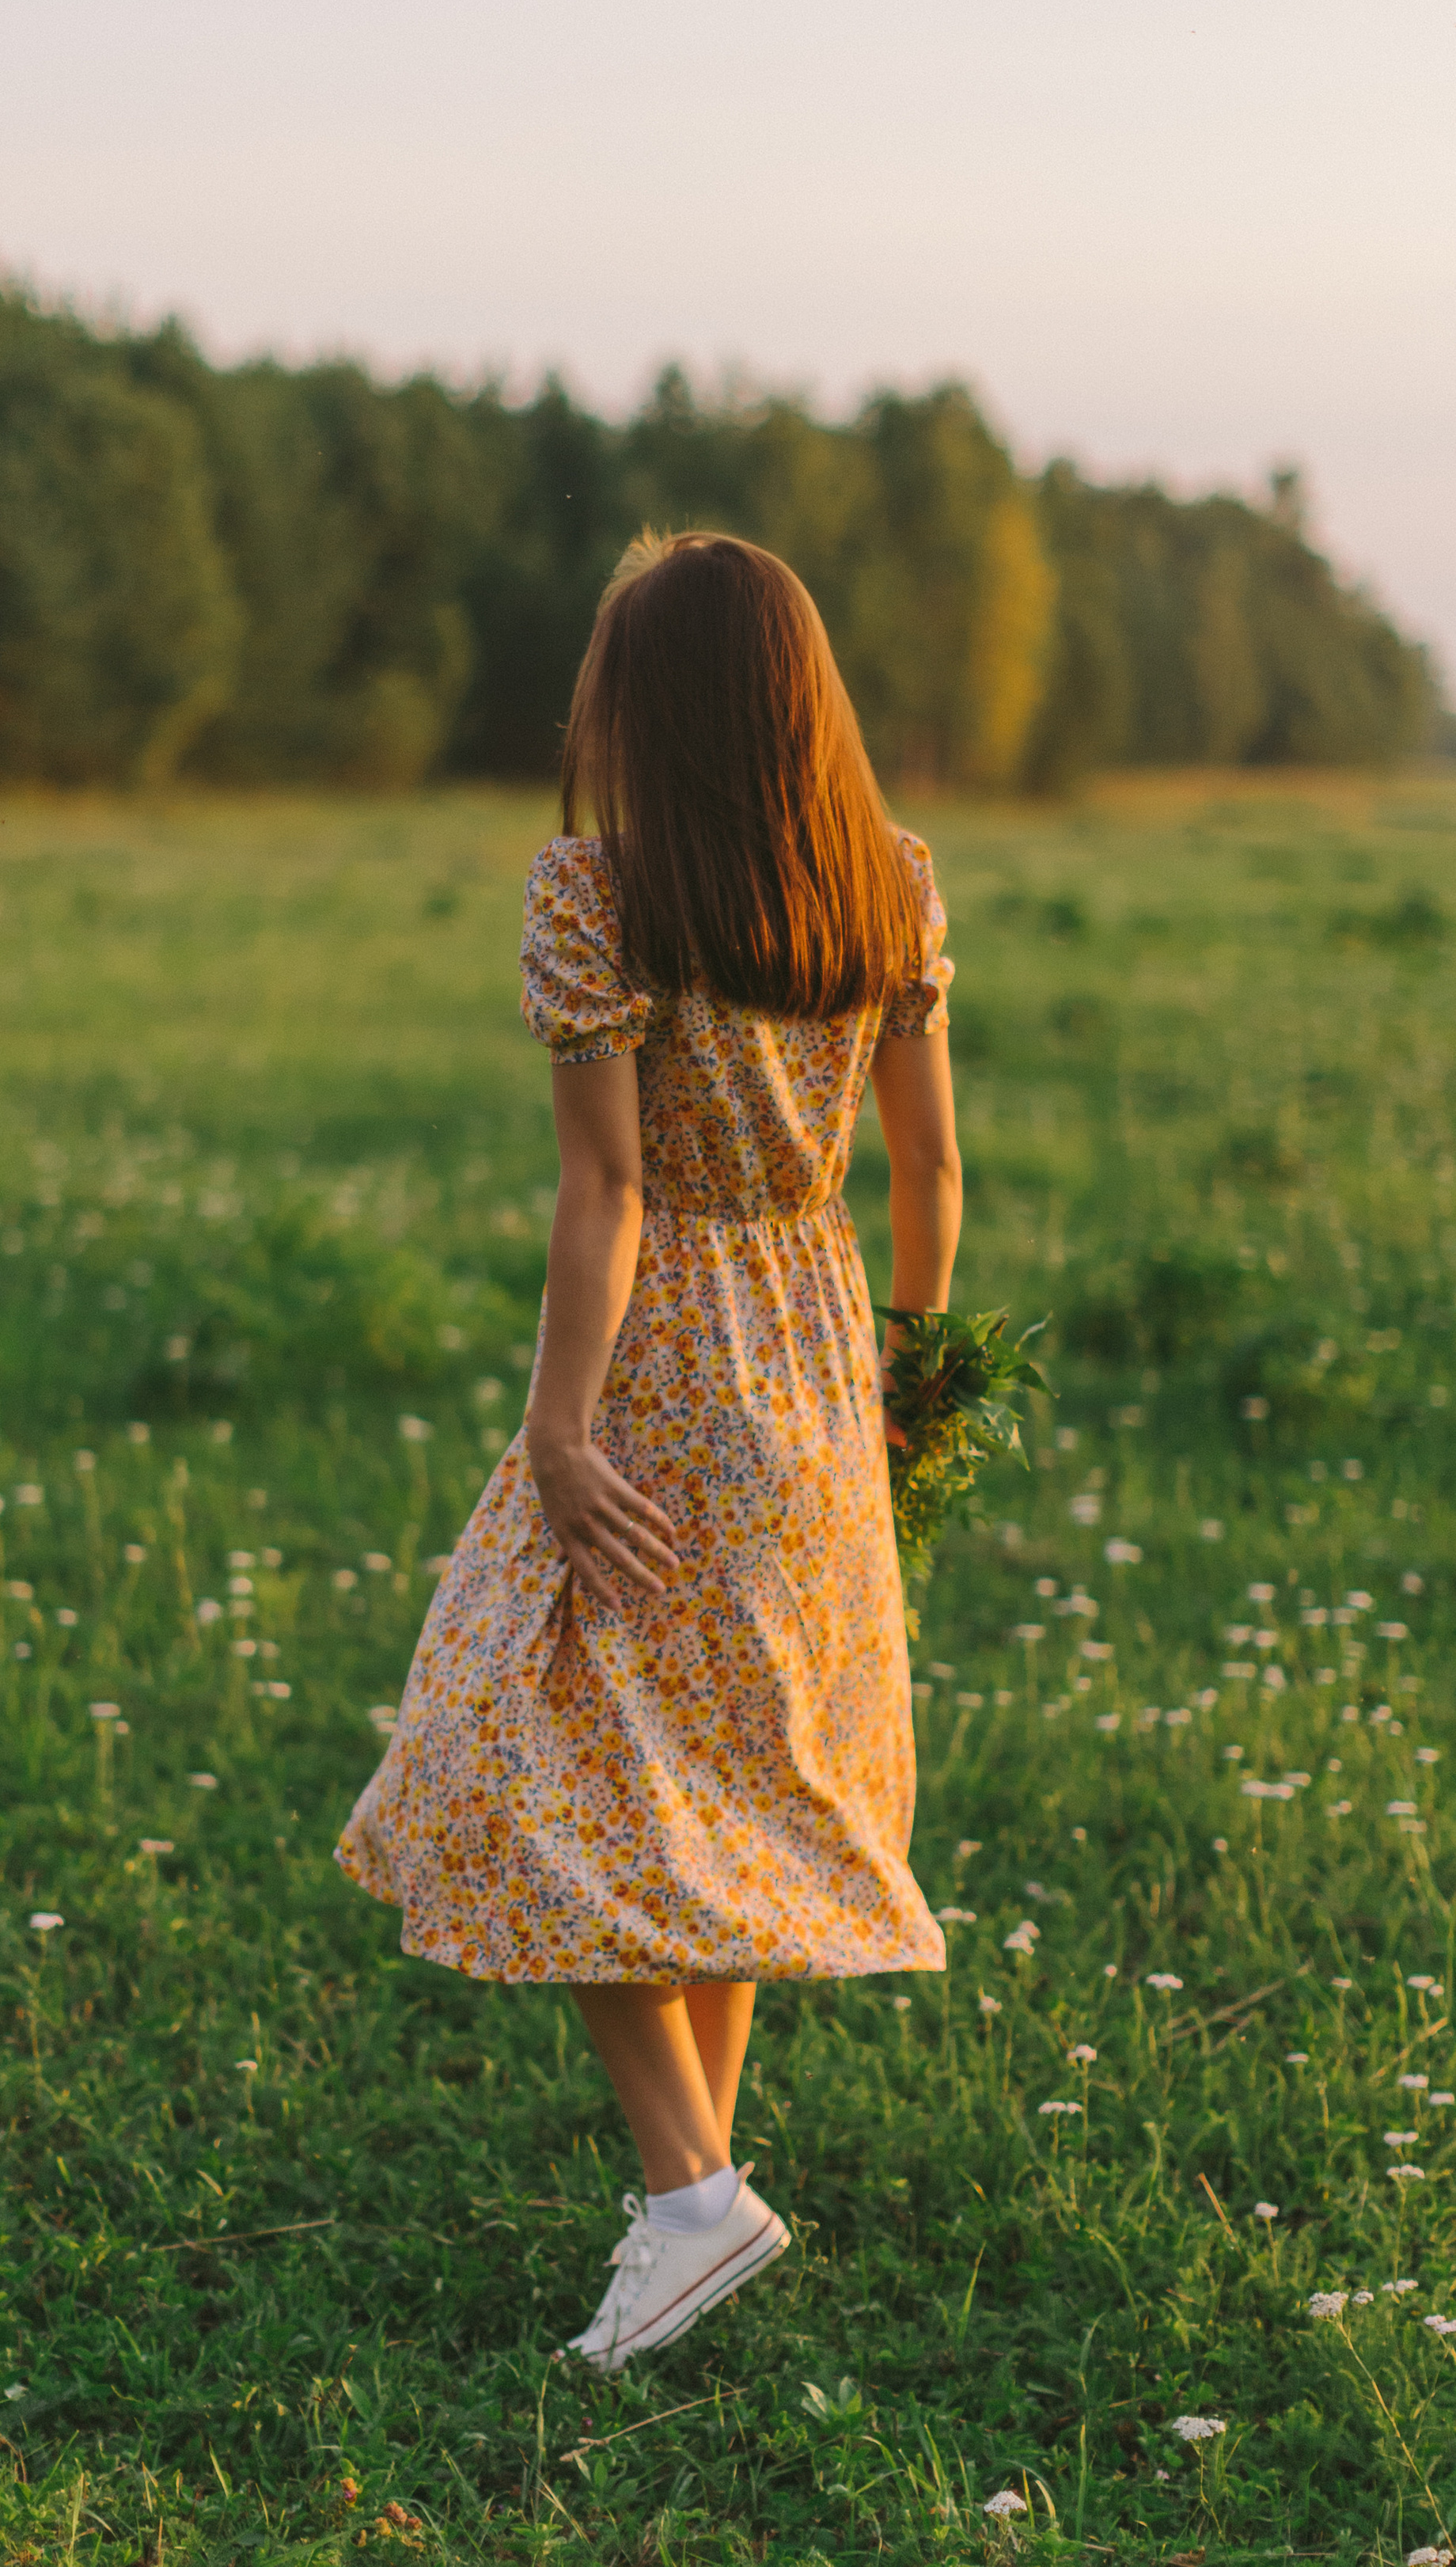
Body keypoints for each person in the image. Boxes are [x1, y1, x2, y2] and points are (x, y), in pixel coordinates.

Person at [336, 530, 959, 2371]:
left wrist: (552, 1428)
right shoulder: (890, 887)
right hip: (821, 1365)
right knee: (721, 1777)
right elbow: (925, 1173)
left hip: (666, 1379)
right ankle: (693, 2199)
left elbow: (605, 1189)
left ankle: (691, 2200)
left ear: (646, 709)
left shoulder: (596, 894)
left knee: (513, 1749)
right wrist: (908, 1379)